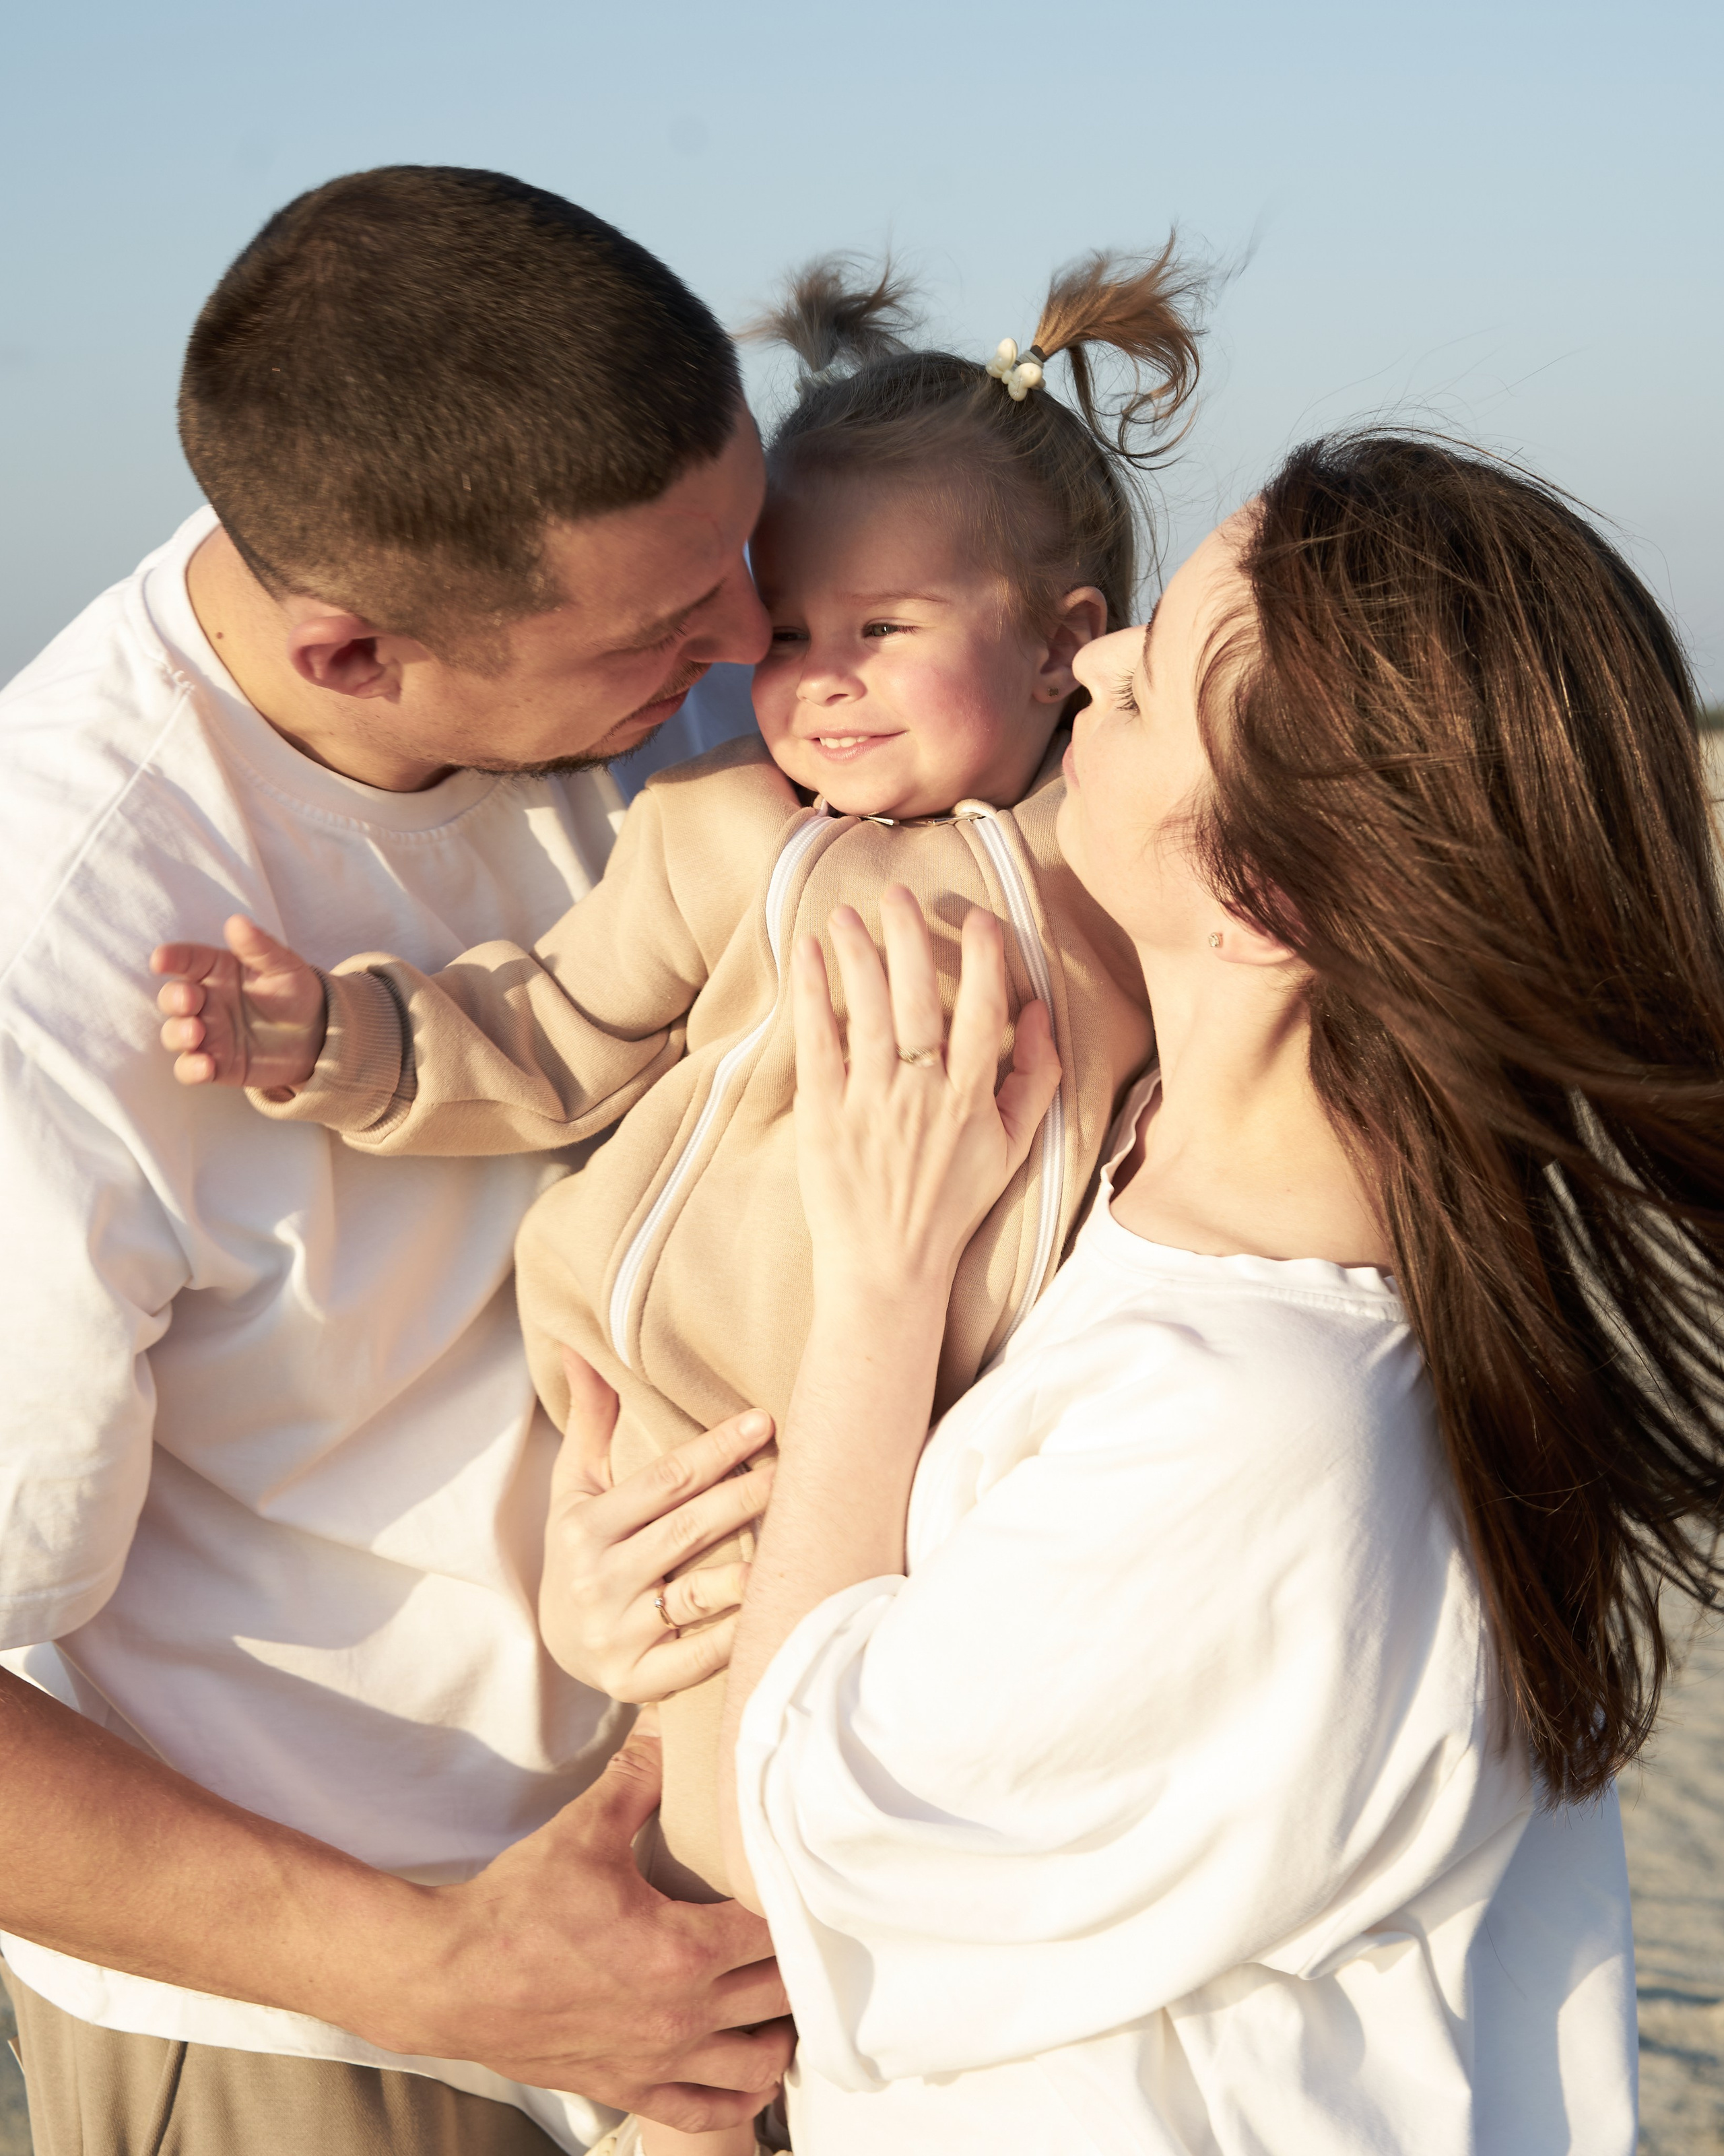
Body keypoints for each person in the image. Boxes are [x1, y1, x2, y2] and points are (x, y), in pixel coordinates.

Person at [147, 251, 1202, 2156]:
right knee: (731, 1857)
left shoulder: (1125, 879)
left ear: (1068, 642)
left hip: (953, 1476)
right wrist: (336, 1045)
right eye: (788, 633)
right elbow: (545, 1031)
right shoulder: (735, 844)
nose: (815, 678)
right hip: (710, 1442)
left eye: (882, 623)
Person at [559, 432, 1724, 2151]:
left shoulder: (1267, 1420)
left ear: (1255, 895)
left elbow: (779, 1830)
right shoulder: (1140, 1150)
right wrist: (622, 1604)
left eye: (1150, 666)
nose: (1092, 656)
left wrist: (877, 1293)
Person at [0, 165, 794, 2156]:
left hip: (741, 1945)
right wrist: (444, 1974)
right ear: (352, 654)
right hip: (342, 2032)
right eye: (675, 621)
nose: (755, 639)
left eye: (751, 551)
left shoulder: (673, 680)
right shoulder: (60, 934)